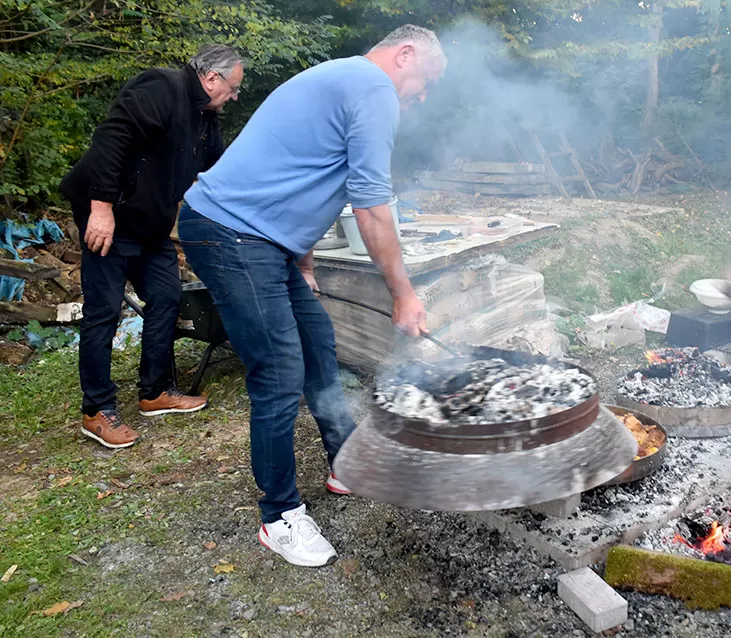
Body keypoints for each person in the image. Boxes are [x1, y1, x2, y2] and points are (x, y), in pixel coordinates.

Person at [178, 25, 446, 568]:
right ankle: (279, 518)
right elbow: (370, 207)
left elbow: (299, 169)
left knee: (318, 342)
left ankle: (347, 462)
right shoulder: (371, 87)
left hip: (260, 238)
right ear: (406, 54)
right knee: (277, 372)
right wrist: (403, 295)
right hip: (232, 232)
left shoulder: (341, 77)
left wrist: (302, 258)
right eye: (423, 84)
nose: (419, 98)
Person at [59, 44, 243, 449]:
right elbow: (111, 141)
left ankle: (156, 390)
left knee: (166, 296)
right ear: (212, 78)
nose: (233, 97)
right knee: (103, 312)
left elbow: (221, 172)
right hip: (111, 215)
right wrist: (101, 209)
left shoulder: (205, 119)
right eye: (233, 88)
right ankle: (97, 410)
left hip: (150, 224)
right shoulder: (161, 87)